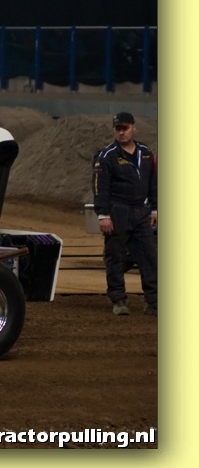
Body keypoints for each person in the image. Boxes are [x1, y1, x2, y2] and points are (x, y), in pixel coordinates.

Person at [92, 112, 157, 316]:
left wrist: (155, 208)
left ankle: (153, 301)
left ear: (134, 128)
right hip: (117, 211)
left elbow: (153, 183)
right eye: (118, 128)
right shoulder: (106, 156)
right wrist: (103, 215)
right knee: (116, 256)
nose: (121, 132)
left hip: (141, 211)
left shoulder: (146, 153)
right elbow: (99, 187)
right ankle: (118, 299)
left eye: (125, 128)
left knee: (149, 256)